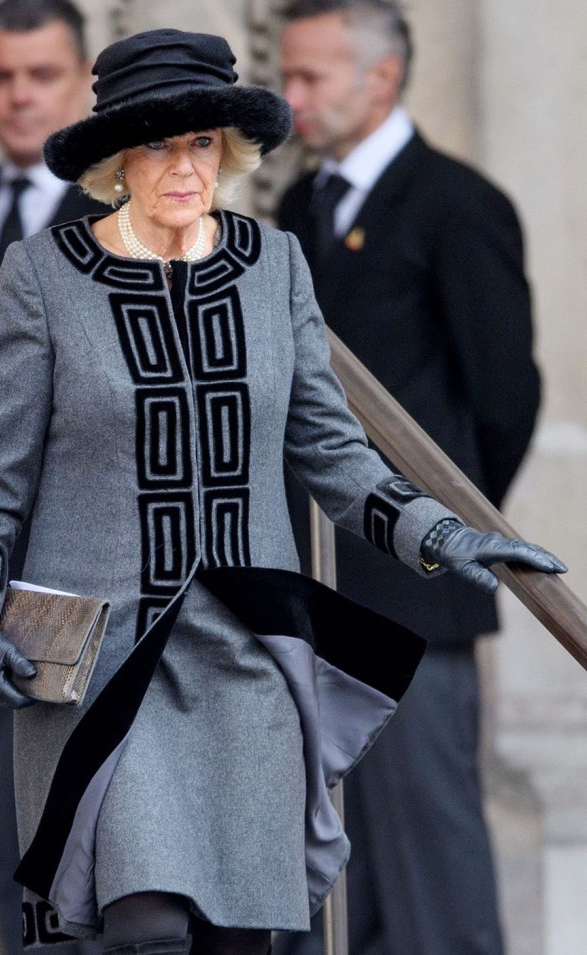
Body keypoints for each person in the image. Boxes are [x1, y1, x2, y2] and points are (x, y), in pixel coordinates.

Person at [0, 26, 565, 955]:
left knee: (241, 933)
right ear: (117, 156)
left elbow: (334, 453)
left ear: (228, 147)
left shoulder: (275, 269)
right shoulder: (43, 278)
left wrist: (447, 534)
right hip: (108, 663)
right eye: (158, 141)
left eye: (201, 141)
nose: (184, 164)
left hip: (246, 658)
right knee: (143, 917)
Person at [274, 1, 541, 953]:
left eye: (308, 78)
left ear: (379, 78)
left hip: (417, 607)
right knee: (347, 891)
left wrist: (436, 532)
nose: (289, 97)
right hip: (318, 596)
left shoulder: (457, 204)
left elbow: (505, 400)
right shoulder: (300, 209)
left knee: (436, 876)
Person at [0, 1, 107, 951]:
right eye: (0, 77)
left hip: (100, 577)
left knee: (99, 842)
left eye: (39, 76)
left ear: (82, 82)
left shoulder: (123, 221)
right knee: (11, 840)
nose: (17, 97)